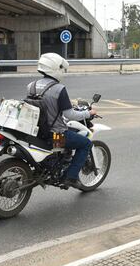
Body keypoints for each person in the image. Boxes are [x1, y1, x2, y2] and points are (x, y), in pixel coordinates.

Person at [28, 53, 96, 189]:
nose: (62, 71)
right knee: (86, 143)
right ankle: (70, 177)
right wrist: (88, 113)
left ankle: (60, 163)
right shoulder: (59, 89)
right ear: (55, 68)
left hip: (37, 133)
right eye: (61, 68)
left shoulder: (32, 86)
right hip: (55, 136)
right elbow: (69, 114)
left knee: (71, 138)